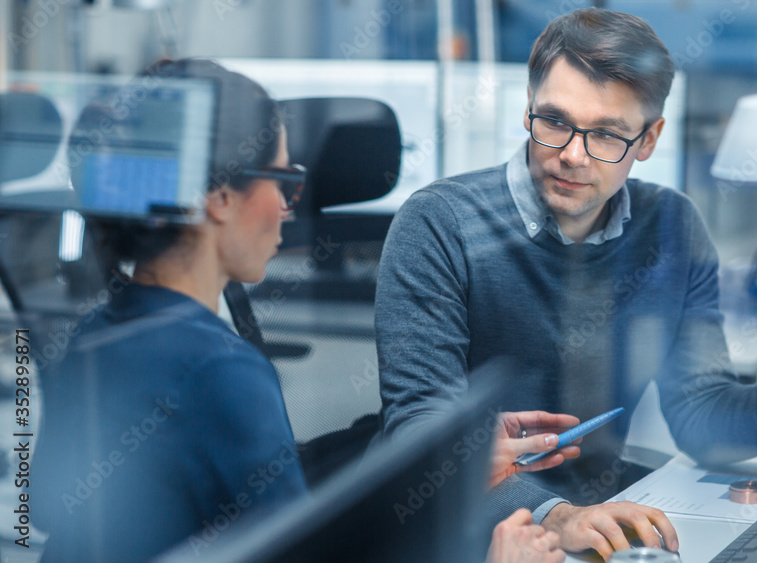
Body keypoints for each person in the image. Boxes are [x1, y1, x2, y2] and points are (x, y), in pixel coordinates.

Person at [32, 58, 565, 563]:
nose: (290, 209)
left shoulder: (93, 338)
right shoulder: (222, 370)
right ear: (219, 197)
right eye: (285, 182)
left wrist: (446, 453)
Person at [376, 8, 757, 560]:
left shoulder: (671, 226)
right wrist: (560, 518)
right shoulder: (439, 224)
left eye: (606, 133)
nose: (572, 155)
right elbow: (421, 443)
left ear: (649, 140)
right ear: (527, 110)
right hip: (468, 535)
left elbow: (701, 414)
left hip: (601, 522)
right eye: (554, 121)